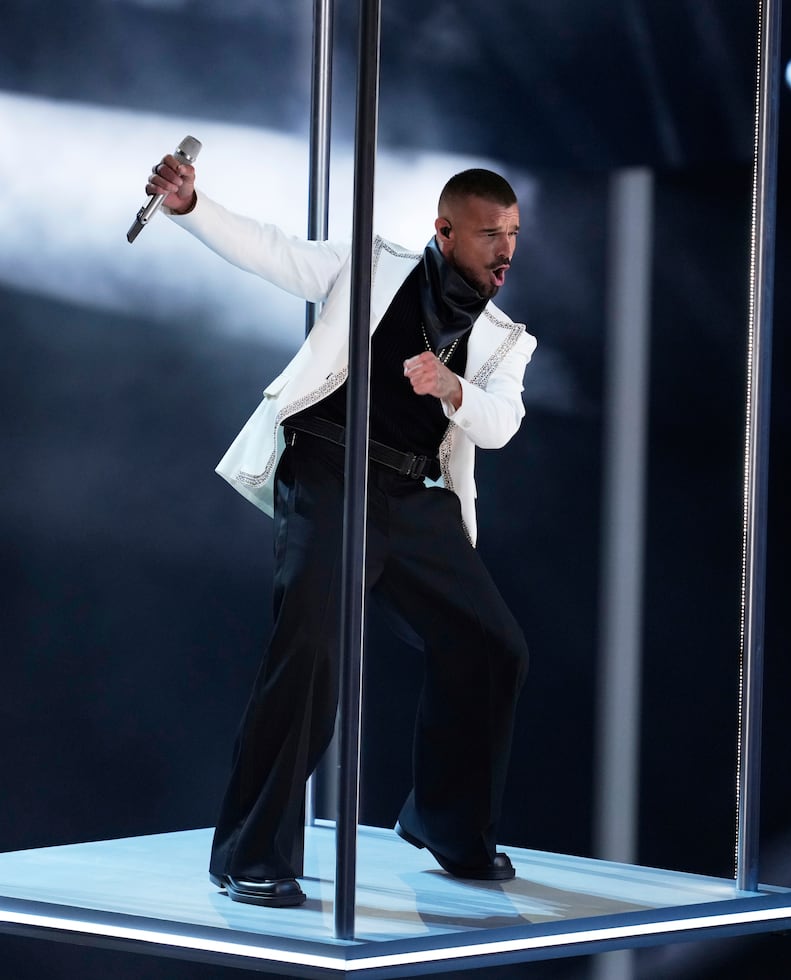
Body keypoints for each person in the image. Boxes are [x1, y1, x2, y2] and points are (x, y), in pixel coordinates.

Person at [144, 153, 535, 907]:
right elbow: (273, 251)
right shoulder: (373, 265)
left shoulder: (504, 338)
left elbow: (502, 424)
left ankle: (448, 826)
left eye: (513, 233)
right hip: (330, 468)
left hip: (413, 495)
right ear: (445, 231)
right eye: (491, 234)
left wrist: (453, 388)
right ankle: (250, 852)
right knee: (311, 653)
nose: (506, 249)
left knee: (493, 646)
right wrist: (193, 206)